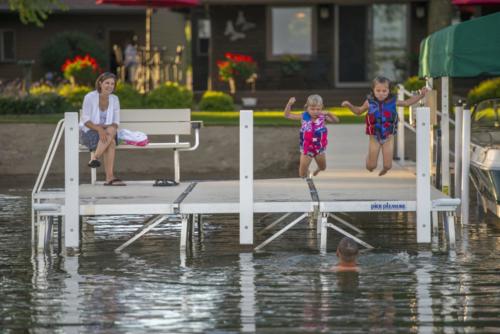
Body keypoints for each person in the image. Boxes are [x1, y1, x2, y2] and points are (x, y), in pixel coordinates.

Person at [341, 76, 429, 176]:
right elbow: (358, 111)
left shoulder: (392, 101)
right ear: (373, 90)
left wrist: (421, 95)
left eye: (384, 91)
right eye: (378, 90)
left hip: (388, 136)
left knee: (388, 165)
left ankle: (385, 169)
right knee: (371, 167)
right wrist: (349, 105)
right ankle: (369, 159)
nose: (381, 93)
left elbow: (406, 102)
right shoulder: (369, 103)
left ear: (389, 91)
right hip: (374, 136)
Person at [79, 72, 125, 186]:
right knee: (112, 142)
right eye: (107, 83)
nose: (109, 86)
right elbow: (86, 121)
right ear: (100, 83)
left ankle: (95, 158)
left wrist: (106, 128)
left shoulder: (115, 99)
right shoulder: (89, 97)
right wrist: (99, 129)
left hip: (107, 133)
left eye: (112, 84)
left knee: (112, 130)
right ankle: (109, 178)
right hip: (89, 132)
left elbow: (115, 122)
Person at [284, 94, 339, 178]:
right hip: (307, 147)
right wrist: (289, 104)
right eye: (312, 109)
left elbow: (336, 121)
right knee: (302, 174)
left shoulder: (323, 117)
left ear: (322, 108)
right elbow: (287, 115)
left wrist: (328, 113)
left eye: (318, 109)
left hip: (319, 147)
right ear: (307, 108)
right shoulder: (303, 116)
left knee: (323, 167)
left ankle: (318, 169)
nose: (315, 111)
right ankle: (306, 170)